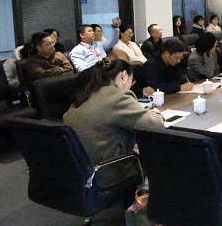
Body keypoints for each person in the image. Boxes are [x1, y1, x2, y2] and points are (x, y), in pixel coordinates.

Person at [63, 60, 164, 188]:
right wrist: (156, 114)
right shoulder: (117, 96)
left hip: (80, 174)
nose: (131, 85)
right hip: (107, 173)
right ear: (124, 75)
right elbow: (155, 125)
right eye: (132, 81)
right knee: (162, 156)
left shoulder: (85, 95)